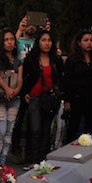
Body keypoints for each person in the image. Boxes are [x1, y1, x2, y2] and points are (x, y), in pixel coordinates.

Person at [21, 29, 63, 166]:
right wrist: (25, 92)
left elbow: (60, 78)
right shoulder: (31, 59)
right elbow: (25, 77)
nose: (47, 43)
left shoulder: (56, 60)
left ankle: (43, 159)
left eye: (49, 40)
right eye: (44, 40)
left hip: (50, 99)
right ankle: (31, 159)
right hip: (34, 97)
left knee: (46, 130)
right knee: (35, 129)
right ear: (38, 42)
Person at [0, 29, 23, 169]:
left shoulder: (18, 61)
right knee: (1, 130)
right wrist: (7, 89)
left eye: (12, 39)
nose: (9, 42)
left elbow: (20, 79)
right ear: (1, 42)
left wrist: (16, 91)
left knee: (9, 132)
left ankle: (3, 164)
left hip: (14, 98)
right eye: (6, 40)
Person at [62, 28, 92, 144]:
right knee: (75, 128)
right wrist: (67, 100)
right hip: (76, 98)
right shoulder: (72, 59)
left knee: (90, 128)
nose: (89, 43)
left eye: (91, 40)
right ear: (79, 42)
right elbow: (66, 80)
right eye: (86, 40)